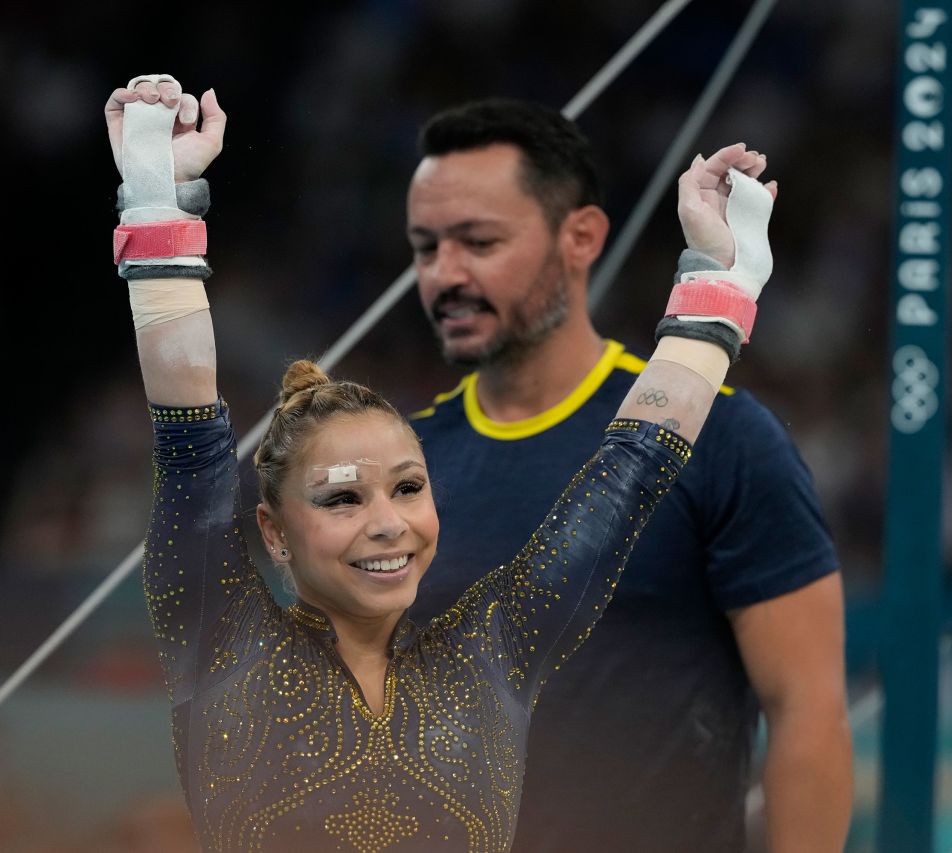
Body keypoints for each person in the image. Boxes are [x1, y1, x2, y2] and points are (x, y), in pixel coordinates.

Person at [108, 74, 774, 852]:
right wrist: (157, 195)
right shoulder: (219, 632)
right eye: (342, 500)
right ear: (274, 530)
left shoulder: (494, 649)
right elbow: (188, 437)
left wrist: (720, 279)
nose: (388, 524)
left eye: (408, 488)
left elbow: (628, 474)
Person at [406, 100, 853, 852]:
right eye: (425, 248)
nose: (445, 275)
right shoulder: (404, 464)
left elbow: (809, 712)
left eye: (479, 241)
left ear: (580, 237)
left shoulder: (725, 438)